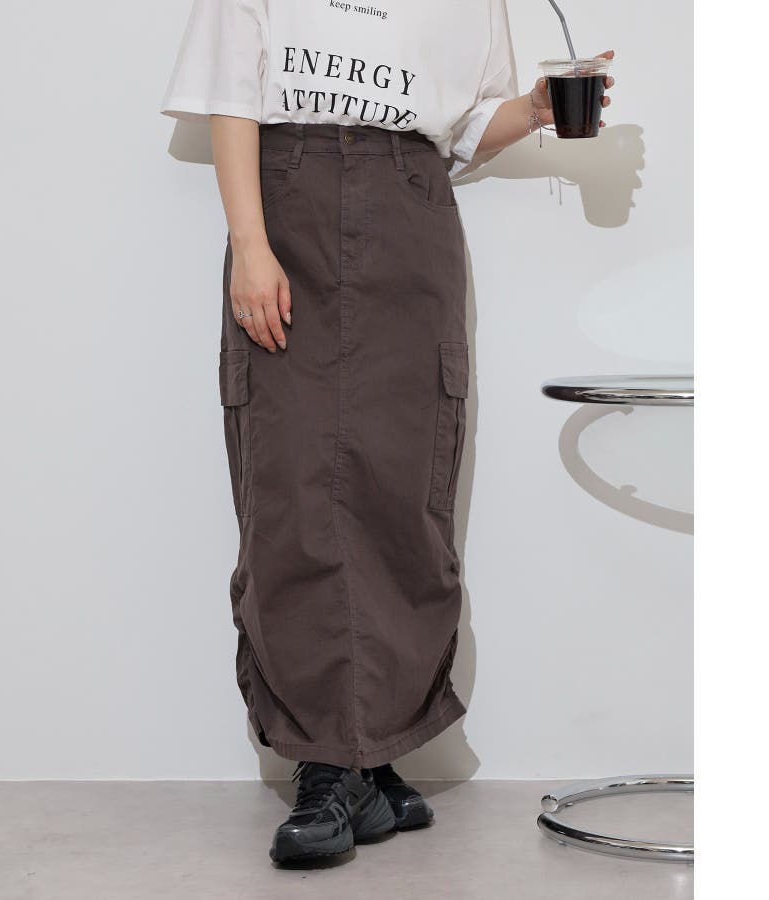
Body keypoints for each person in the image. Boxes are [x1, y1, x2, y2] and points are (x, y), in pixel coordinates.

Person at [160, 0, 614, 865]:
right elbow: (232, 96)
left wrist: (535, 111)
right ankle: (330, 763)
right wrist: (250, 245)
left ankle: (370, 754)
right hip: (286, 201)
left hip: (410, 208)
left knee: (404, 481)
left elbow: (466, 126)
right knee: (292, 483)